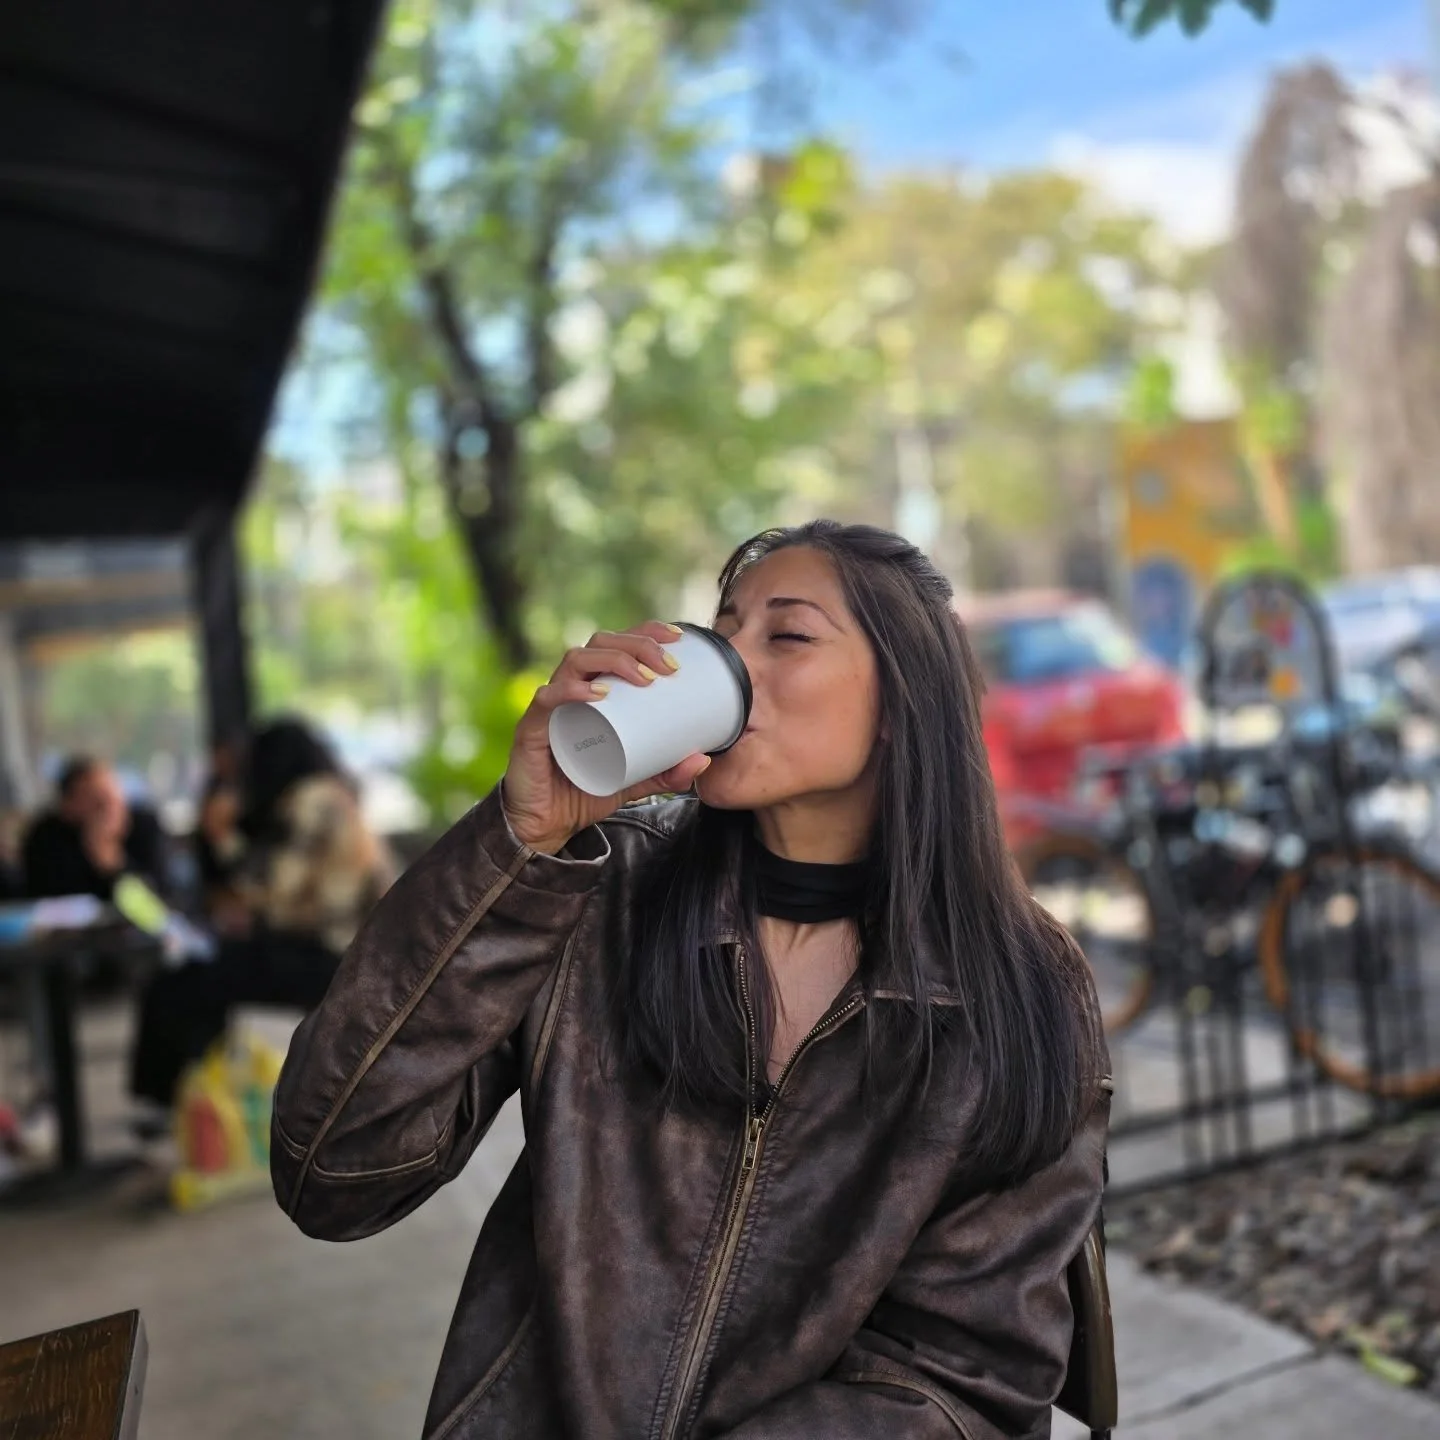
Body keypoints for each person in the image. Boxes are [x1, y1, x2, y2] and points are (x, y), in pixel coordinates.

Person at [272, 523, 1110, 1440]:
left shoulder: (1020, 986)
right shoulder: (598, 892)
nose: (729, 660)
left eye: (785, 635)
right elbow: (333, 1173)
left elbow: (968, 1376)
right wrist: (514, 849)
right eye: (722, 627)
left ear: (903, 700)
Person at [129, 717, 393, 1110]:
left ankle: (171, 1104)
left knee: (180, 983)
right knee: (201, 978)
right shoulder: (334, 796)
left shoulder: (311, 801)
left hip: (326, 960)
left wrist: (222, 838)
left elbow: (272, 893)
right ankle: (196, 1099)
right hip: (340, 954)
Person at [21, 758, 166, 902]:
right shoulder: (46, 835)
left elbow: (157, 902)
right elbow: (46, 897)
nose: (110, 808)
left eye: (114, 796)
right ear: (68, 806)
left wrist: (112, 862)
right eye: (97, 800)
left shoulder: (144, 826)